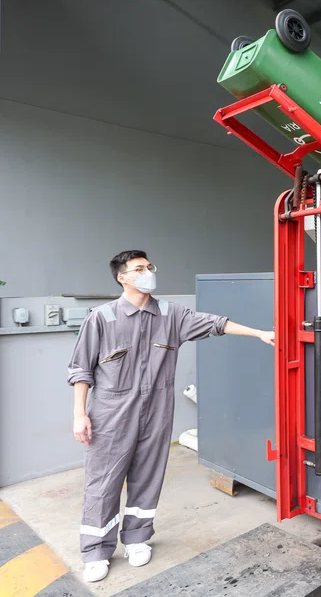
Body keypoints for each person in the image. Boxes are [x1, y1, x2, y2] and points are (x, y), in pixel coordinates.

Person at [67, 250, 275, 583]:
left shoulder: (170, 314)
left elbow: (215, 324)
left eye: (149, 266)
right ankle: (96, 551)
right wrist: (80, 413)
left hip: (156, 412)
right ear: (122, 277)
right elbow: (81, 369)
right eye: (139, 268)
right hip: (110, 413)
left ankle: (137, 539)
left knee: (147, 477)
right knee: (103, 482)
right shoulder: (102, 318)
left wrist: (258, 333)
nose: (147, 272)